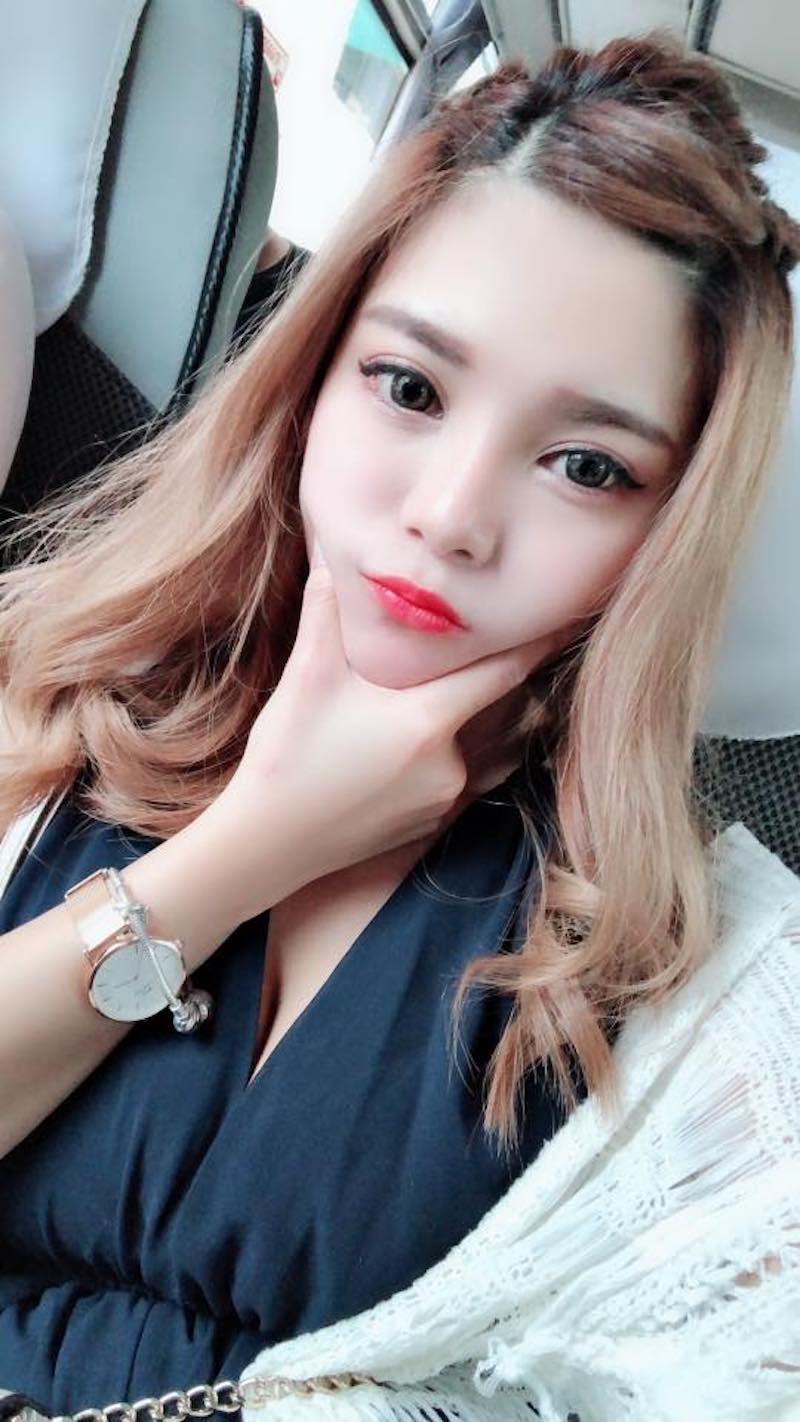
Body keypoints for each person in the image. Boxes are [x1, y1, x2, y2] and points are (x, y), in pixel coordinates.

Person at [0, 27, 798, 1422]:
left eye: (586, 464)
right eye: (412, 389)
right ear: (316, 373)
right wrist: (254, 847)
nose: (450, 516)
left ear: (670, 530)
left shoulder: (711, 997)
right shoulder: (57, 676)